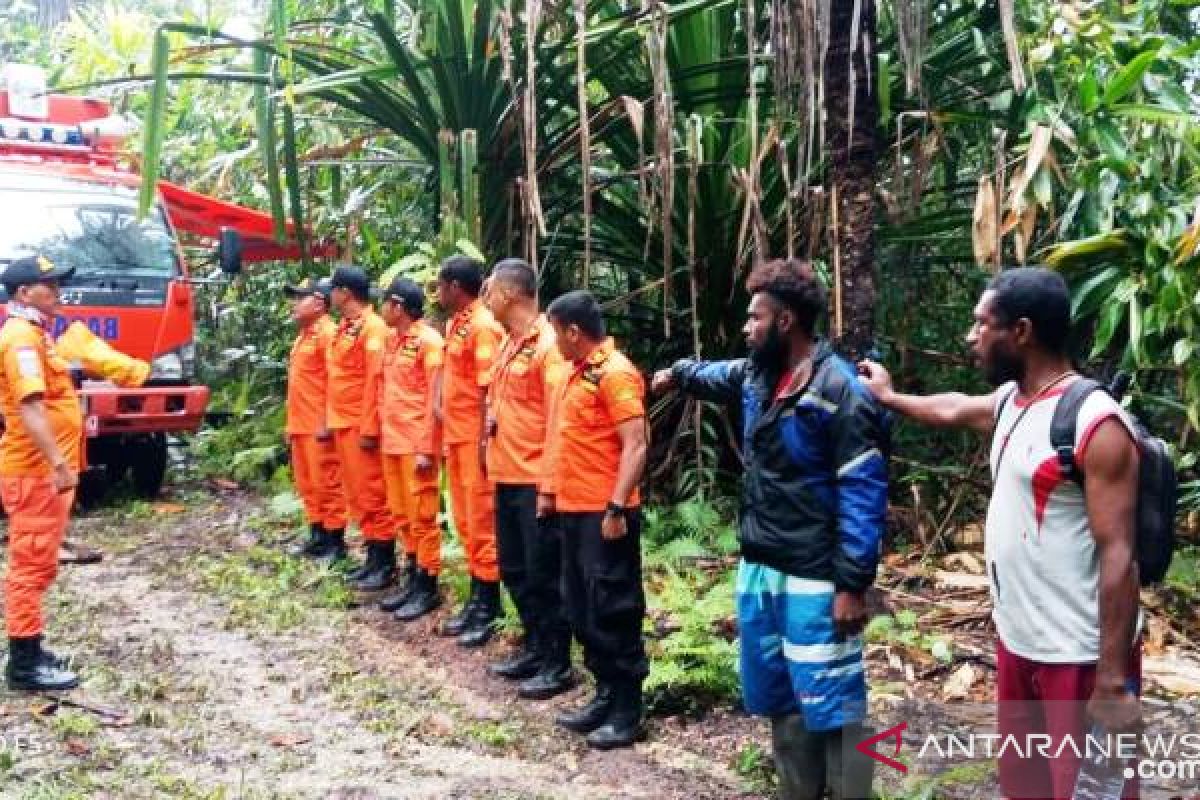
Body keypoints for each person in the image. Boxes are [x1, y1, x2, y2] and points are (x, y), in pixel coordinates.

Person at [858, 266, 1141, 800]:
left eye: (981, 324)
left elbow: (1120, 556)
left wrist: (1110, 681)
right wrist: (890, 398)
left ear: (1022, 332)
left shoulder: (1094, 422)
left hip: (1078, 659)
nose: (971, 337)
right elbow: (954, 407)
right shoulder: (1013, 401)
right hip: (1020, 645)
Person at [652, 258, 888, 799]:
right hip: (761, 567)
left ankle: (855, 791)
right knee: (780, 695)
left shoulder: (841, 391)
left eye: (755, 318)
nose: (746, 327)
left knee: (838, 701)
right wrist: (679, 373)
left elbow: (864, 494)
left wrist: (852, 585)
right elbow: (714, 374)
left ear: (785, 321)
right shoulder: (758, 376)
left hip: (817, 575)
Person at [545, 290, 648, 750]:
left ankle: (629, 708)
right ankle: (605, 692)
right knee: (580, 604)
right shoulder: (575, 373)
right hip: (573, 507)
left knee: (613, 606)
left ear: (572, 331)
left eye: (556, 332)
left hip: (605, 513)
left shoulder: (615, 373)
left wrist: (616, 505)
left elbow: (636, 444)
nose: (554, 341)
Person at [482, 259, 574, 699]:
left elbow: (558, 418)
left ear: (509, 294)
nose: (485, 297)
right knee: (514, 569)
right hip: (504, 471)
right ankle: (535, 647)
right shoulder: (508, 344)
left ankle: (558, 663)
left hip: (534, 477)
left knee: (543, 575)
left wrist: (550, 485)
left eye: (490, 289)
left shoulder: (547, 346)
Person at [0, 254, 85, 690]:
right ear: (22, 293)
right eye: (47, 285)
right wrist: (57, 463)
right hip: (35, 472)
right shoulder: (20, 339)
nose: (57, 291)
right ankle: (24, 665)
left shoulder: (35, 333)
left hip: (41, 471)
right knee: (30, 565)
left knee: (39, 562)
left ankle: (28, 643)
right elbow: (30, 406)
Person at [366, 276, 446, 621]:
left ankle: (428, 584)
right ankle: (413, 578)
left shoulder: (428, 342)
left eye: (385, 302)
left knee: (422, 516)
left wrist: (428, 447)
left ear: (397, 306)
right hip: (393, 442)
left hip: (416, 444)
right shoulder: (391, 341)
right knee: (401, 514)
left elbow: (434, 397)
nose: (381, 308)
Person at [436, 256, 505, 647]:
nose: (438, 293)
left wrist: (483, 442)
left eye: (441, 285)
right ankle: (476, 597)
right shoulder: (458, 324)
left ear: (455, 286)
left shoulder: (481, 327)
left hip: (474, 440)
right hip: (456, 437)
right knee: (463, 521)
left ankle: (488, 605)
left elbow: (486, 390)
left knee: (481, 522)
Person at [326, 265, 398, 592]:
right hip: (343, 421)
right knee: (357, 493)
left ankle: (384, 562)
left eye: (334, 289)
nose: (330, 294)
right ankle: (372, 557)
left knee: (372, 492)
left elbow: (374, 380)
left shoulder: (373, 329)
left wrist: (370, 426)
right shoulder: (347, 327)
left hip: (361, 424)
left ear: (346, 293)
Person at [283, 277, 347, 561]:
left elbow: (335, 382)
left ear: (320, 303)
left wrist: (325, 421)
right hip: (300, 424)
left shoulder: (328, 335)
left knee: (328, 483)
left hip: (319, 426)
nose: (294, 304)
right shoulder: (303, 336)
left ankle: (335, 543)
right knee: (308, 484)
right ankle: (317, 535)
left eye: (300, 298)